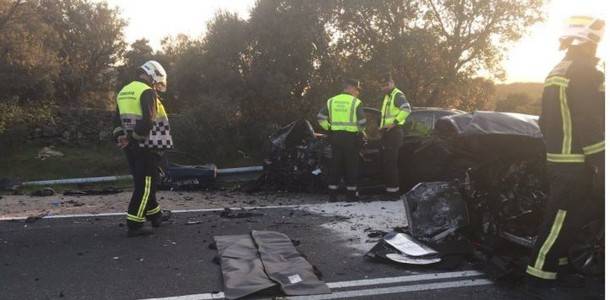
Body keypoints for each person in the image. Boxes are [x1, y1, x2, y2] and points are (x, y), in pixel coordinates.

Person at [523, 15, 605, 294]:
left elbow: (545, 120)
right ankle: (538, 277)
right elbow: (590, 122)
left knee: (567, 219)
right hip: (576, 163)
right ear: (589, 42)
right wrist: (601, 162)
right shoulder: (587, 72)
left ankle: (559, 267)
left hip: (559, 160)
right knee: (559, 221)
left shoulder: (559, 69)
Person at [112, 60, 174, 237]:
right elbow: (148, 122)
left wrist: (121, 137)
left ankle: (156, 215)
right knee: (146, 184)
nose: (157, 85)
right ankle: (134, 223)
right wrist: (134, 138)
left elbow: (116, 121)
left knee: (143, 181)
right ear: (153, 74)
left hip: (130, 147)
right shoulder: (147, 92)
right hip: (147, 145)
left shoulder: (124, 91)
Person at [317, 79, 367, 202]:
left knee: (335, 166)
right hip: (351, 138)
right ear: (350, 88)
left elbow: (320, 117)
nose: (357, 92)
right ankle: (351, 196)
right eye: (357, 90)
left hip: (335, 138)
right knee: (351, 167)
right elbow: (362, 122)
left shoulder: (331, 101)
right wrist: (361, 131)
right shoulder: (356, 102)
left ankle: (332, 196)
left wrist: (330, 128)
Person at [378, 74, 411, 200]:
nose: (384, 87)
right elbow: (385, 116)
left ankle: (393, 194)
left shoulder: (397, 95)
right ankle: (389, 191)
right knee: (386, 162)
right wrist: (382, 127)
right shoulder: (388, 96)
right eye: (382, 86)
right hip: (387, 133)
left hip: (394, 133)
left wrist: (394, 123)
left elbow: (407, 109)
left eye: (386, 85)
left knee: (390, 164)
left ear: (392, 83)